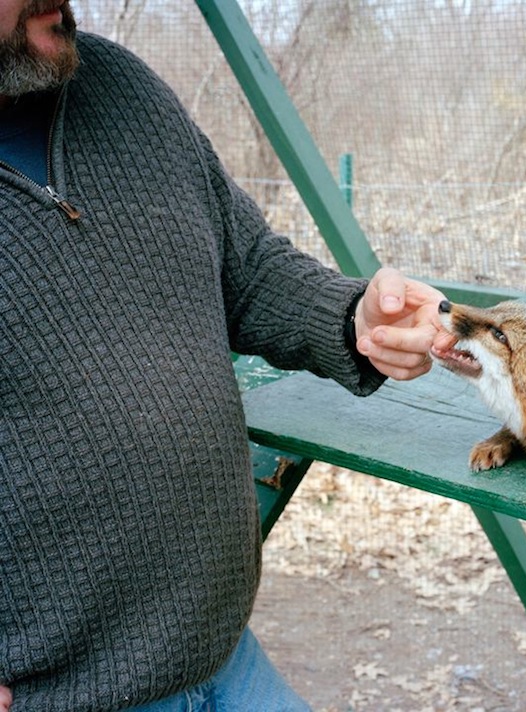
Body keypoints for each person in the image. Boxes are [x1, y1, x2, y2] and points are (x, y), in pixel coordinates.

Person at [0, 2, 455, 710]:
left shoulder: (121, 87)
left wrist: (357, 318)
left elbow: (247, 267)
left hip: (224, 653)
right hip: (57, 693)